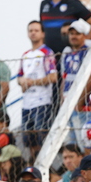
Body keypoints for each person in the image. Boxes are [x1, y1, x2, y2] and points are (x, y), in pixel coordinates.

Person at [18, 21, 57, 160]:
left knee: (42, 137)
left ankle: (44, 164)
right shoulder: (25, 54)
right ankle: (34, 165)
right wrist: (22, 81)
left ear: (42, 33)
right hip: (27, 103)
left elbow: (53, 77)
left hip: (42, 102)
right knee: (28, 140)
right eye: (30, 30)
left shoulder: (47, 52)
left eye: (36, 30)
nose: (33, 33)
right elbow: (19, 77)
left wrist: (32, 82)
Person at [61, 19, 91, 148]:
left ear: (84, 36)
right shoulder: (67, 53)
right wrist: (62, 102)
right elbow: (64, 78)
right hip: (67, 106)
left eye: (77, 33)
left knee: (84, 144)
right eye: (71, 34)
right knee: (71, 145)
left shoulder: (89, 50)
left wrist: (80, 102)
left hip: (82, 107)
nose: (74, 36)